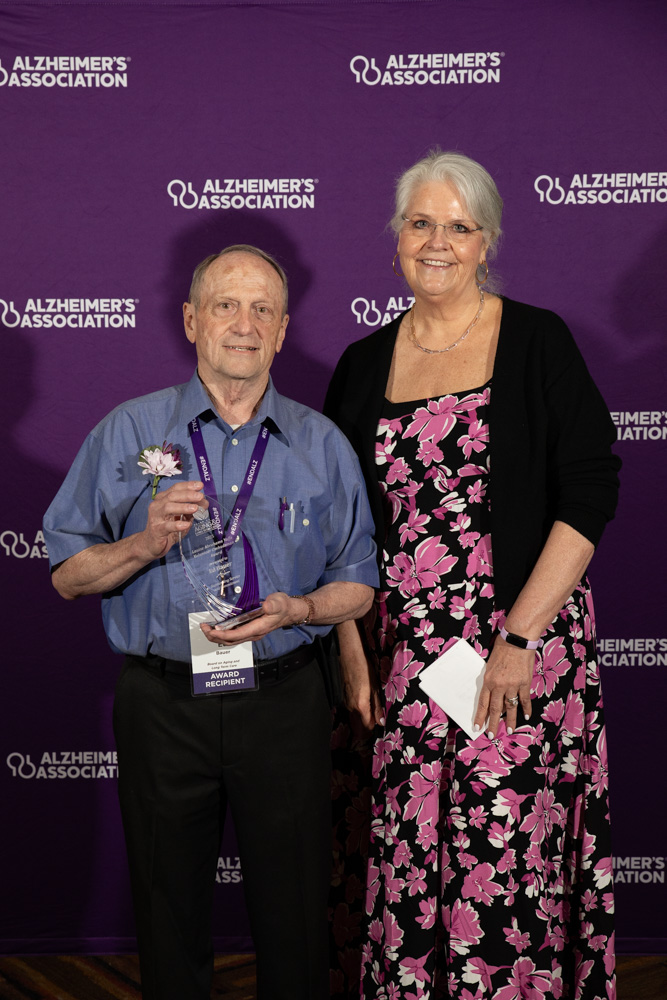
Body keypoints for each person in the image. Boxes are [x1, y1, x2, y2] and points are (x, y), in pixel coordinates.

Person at [43, 244, 378, 1000]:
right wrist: (144, 541)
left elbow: (357, 585)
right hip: (164, 706)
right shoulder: (128, 433)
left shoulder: (323, 445)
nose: (244, 323)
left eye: (263, 309)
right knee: (168, 913)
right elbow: (67, 576)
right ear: (192, 319)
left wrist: (301, 608)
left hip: (283, 700)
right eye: (226, 305)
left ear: (285, 330)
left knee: (295, 917)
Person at [324, 152, 619, 998]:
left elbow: (589, 489)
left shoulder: (535, 340)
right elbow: (340, 528)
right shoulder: (360, 363)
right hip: (401, 656)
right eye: (420, 223)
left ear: (485, 240)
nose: (438, 241)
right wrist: (350, 647)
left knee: (503, 860)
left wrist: (519, 636)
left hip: (517, 650)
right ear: (395, 242)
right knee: (410, 857)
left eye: (457, 225)